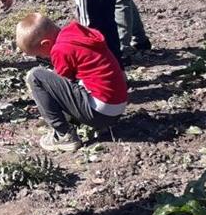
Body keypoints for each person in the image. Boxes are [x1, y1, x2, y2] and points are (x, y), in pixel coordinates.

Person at [16, 13, 127, 152]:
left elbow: (61, 85)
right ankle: (79, 121)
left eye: (40, 54)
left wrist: (47, 105)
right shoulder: (74, 34)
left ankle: (63, 135)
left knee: (36, 76)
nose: (42, 57)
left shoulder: (60, 49)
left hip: (100, 113)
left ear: (46, 44)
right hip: (116, 105)